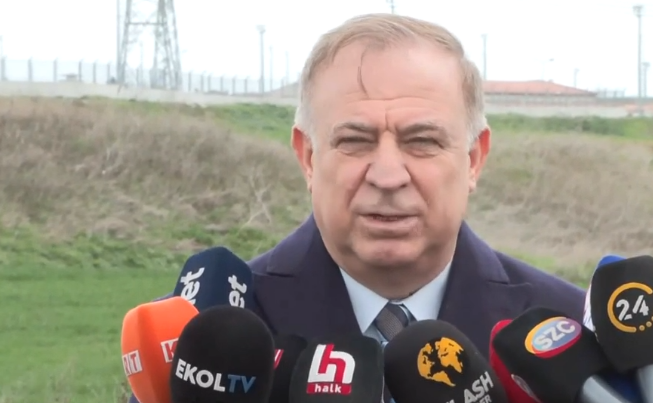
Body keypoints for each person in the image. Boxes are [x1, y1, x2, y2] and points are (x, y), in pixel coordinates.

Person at [128, 13, 584, 403]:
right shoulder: (210, 346)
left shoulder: (568, 332)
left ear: (474, 159)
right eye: (354, 140)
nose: (387, 175)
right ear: (308, 157)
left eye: (422, 141)